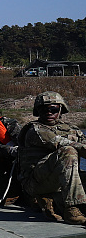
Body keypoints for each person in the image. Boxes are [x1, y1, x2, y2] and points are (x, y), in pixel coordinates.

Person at [17, 91, 86, 224]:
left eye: (53, 109)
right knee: (68, 151)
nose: (49, 112)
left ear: (60, 110)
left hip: (61, 181)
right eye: (44, 109)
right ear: (38, 111)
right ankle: (71, 208)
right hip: (35, 183)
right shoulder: (34, 130)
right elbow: (60, 142)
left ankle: (53, 201)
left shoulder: (72, 129)